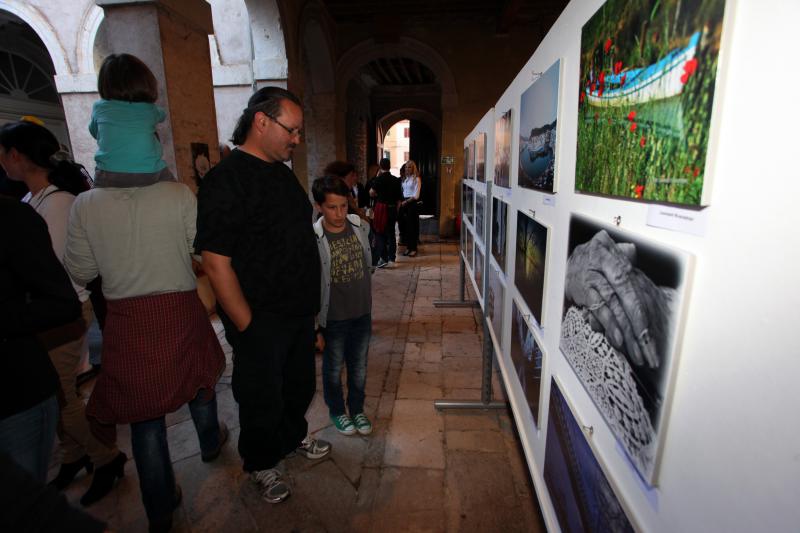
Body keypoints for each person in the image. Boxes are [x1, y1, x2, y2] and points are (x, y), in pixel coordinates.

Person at [65, 53, 226, 532]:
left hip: (127, 320)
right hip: (179, 308)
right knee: (199, 381)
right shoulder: (178, 195)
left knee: (145, 420)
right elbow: (200, 252)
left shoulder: (85, 205)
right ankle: (211, 442)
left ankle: (159, 512)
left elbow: (81, 269)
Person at [195, 87, 330, 505]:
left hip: (296, 312)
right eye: (292, 130)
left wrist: (310, 313)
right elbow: (215, 262)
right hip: (259, 317)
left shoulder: (282, 173)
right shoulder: (226, 180)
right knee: (261, 396)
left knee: (299, 387)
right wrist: (247, 326)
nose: (297, 139)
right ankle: (261, 461)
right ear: (261, 121)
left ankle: (289, 438)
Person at [0, 120, 127, 506]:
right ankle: (74, 456)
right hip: (41, 318)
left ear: (16, 155)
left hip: (64, 315)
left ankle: (106, 456)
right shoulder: (30, 200)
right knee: (56, 396)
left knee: (62, 398)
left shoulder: (58, 203)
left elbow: (53, 272)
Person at [0, 198, 81, 484]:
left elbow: (63, 301)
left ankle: (100, 456)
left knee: (22, 499)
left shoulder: (11, 216)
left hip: (14, 393)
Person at [312, 176, 373, 436]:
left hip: (362, 313)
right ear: (319, 206)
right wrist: (315, 327)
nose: (339, 214)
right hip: (334, 317)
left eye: (343, 206)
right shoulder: (314, 238)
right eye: (332, 207)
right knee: (334, 368)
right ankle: (337, 411)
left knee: (359, 367)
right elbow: (312, 283)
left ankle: (357, 409)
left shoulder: (360, 227)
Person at [89, 53, 173, 186]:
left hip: (108, 174)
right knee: (178, 188)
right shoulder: (150, 109)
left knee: (97, 189)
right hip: (150, 172)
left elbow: (94, 132)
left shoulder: (99, 107)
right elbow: (162, 115)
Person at [370, 157, 402, 268]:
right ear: (389, 166)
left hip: (381, 209)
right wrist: (396, 211)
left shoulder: (379, 179)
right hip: (392, 208)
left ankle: (383, 258)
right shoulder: (396, 180)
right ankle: (392, 258)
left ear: (380, 166)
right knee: (391, 233)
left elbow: (371, 193)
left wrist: (378, 193)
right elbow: (399, 199)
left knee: (380, 233)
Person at [398, 160, 422, 257]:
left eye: (409, 167)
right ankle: (408, 247)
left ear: (413, 168)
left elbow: (416, 195)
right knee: (405, 227)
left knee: (412, 227)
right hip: (404, 203)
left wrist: (406, 202)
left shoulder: (417, 179)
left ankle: (413, 248)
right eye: (406, 167)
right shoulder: (405, 179)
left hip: (412, 203)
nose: (407, 169)